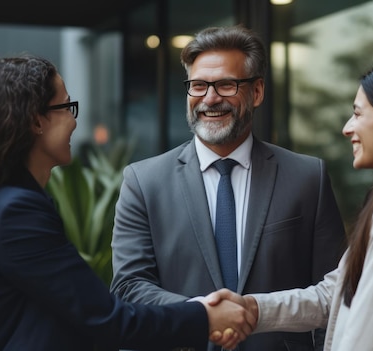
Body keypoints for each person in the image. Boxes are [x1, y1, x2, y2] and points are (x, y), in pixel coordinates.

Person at [0, 54, 254, 351]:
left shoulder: (0, 201)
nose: (74, 122)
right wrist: (205, 316)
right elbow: (106, 320)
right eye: (66, 107)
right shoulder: (14, 211)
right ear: (36, 121)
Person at [109, 25, 346, 351]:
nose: (210, 98)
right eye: (198, 86)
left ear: (257, 92)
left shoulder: (308, 177)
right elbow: (129, 286)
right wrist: (202, 316)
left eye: (225, 84)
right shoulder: (143, 181)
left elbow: (332, 290)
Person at [208, 61, 373, 350]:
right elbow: (334, 294)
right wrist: (252, 308)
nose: (348, 128)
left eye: (358, 113)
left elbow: (367, 337)